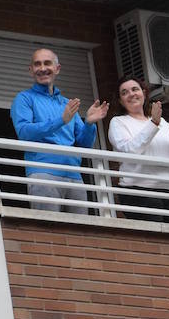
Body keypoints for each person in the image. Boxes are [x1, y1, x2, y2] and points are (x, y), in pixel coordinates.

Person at [10, 48, 109, 214]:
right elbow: (24, 132)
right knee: (48, 232)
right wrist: (60, 121)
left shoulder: (66, 104)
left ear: (57, 69)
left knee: (80, 233)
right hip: (43, 173)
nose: (42, 68)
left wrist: (89, 124)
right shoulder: (24, 98)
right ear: (30, 70)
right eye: (37, 64)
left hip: (74, 176)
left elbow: (84, 145)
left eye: (47, 63)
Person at [108, 77, 169, 225]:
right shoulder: (119, 122)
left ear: (144, 93)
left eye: (135, 89)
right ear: (120, 100)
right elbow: (130, 151)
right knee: (155, 242)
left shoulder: (162, 122)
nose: (131, 94)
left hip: (167, 190)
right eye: (124, 92)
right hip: (137, 191)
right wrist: (153, 123)